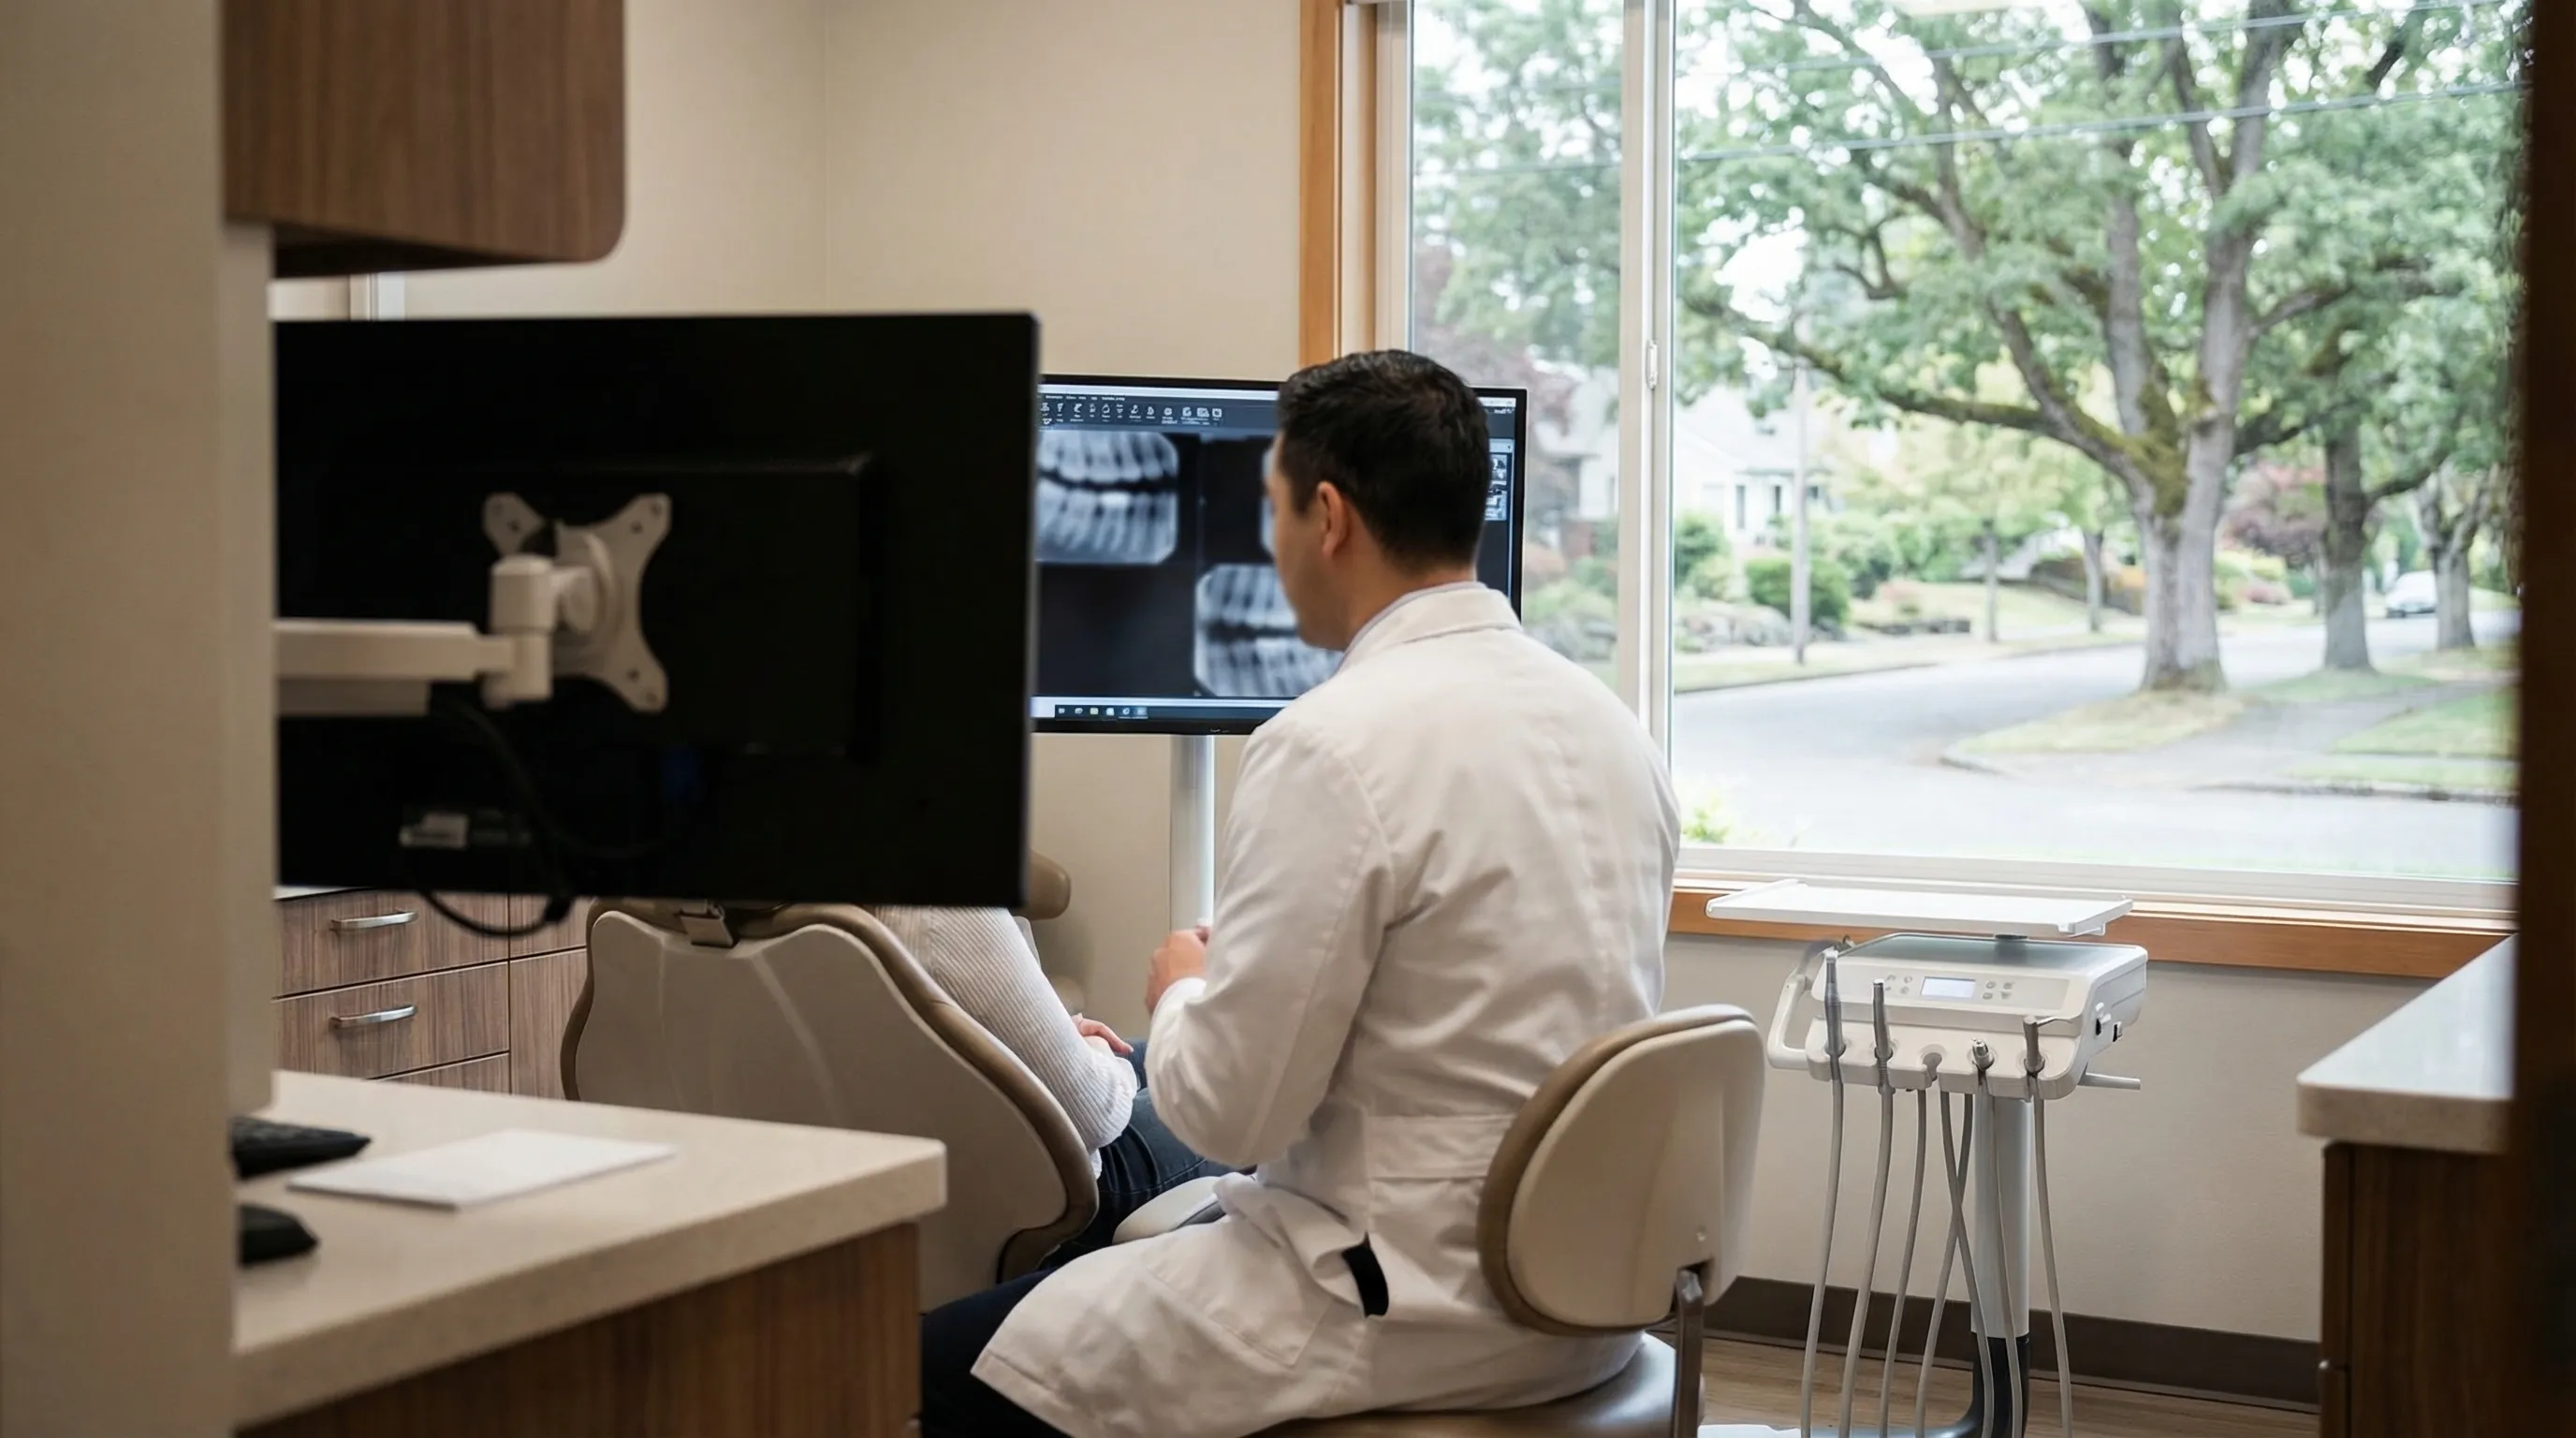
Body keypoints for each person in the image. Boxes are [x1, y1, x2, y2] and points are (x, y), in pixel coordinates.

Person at [919, 350, 1680, 1437]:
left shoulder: (1329, 744)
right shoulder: (1609, 727)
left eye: (1270, 509)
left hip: (1390, 1302)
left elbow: (1229, 1116)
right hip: (1580, 1297)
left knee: (914, 1369)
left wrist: (1186, 989)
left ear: (1327, 516)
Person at [871, 905, 1224, 1263]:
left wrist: (1059, 1031)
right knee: (1224, 1082)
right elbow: (1099, 1114)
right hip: (1071, 1189)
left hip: (963, 1145)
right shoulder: (954, 915)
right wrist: (1099, 1048)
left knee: (1176, 1055)